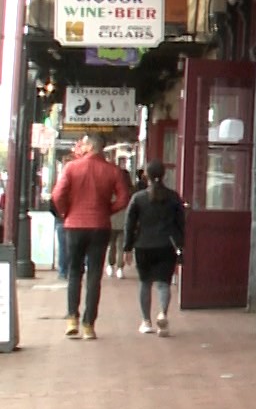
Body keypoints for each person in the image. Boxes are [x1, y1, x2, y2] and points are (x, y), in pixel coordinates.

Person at [51, 133, 132, 340]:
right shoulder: (112, 171)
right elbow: (124, 198)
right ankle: (89, 324)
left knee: (74, 272)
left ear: (89, 146)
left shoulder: (71, 168)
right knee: (95, 275)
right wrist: (108, 210)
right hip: (99, 225)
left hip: (74, 225)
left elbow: (57, 195)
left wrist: (65, 212)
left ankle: (72, 318)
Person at [124, 162, 186, 337]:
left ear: (146, 176)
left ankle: (146, 321)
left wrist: (127, 247)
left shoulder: (138, 198)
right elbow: (181, 223)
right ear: (164, 175)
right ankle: (163, 314)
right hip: (167, 245)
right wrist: (181, 246)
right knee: (163, 284)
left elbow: (129, 224)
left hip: (143, 245)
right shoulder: (173, 197)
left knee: (145, 283)